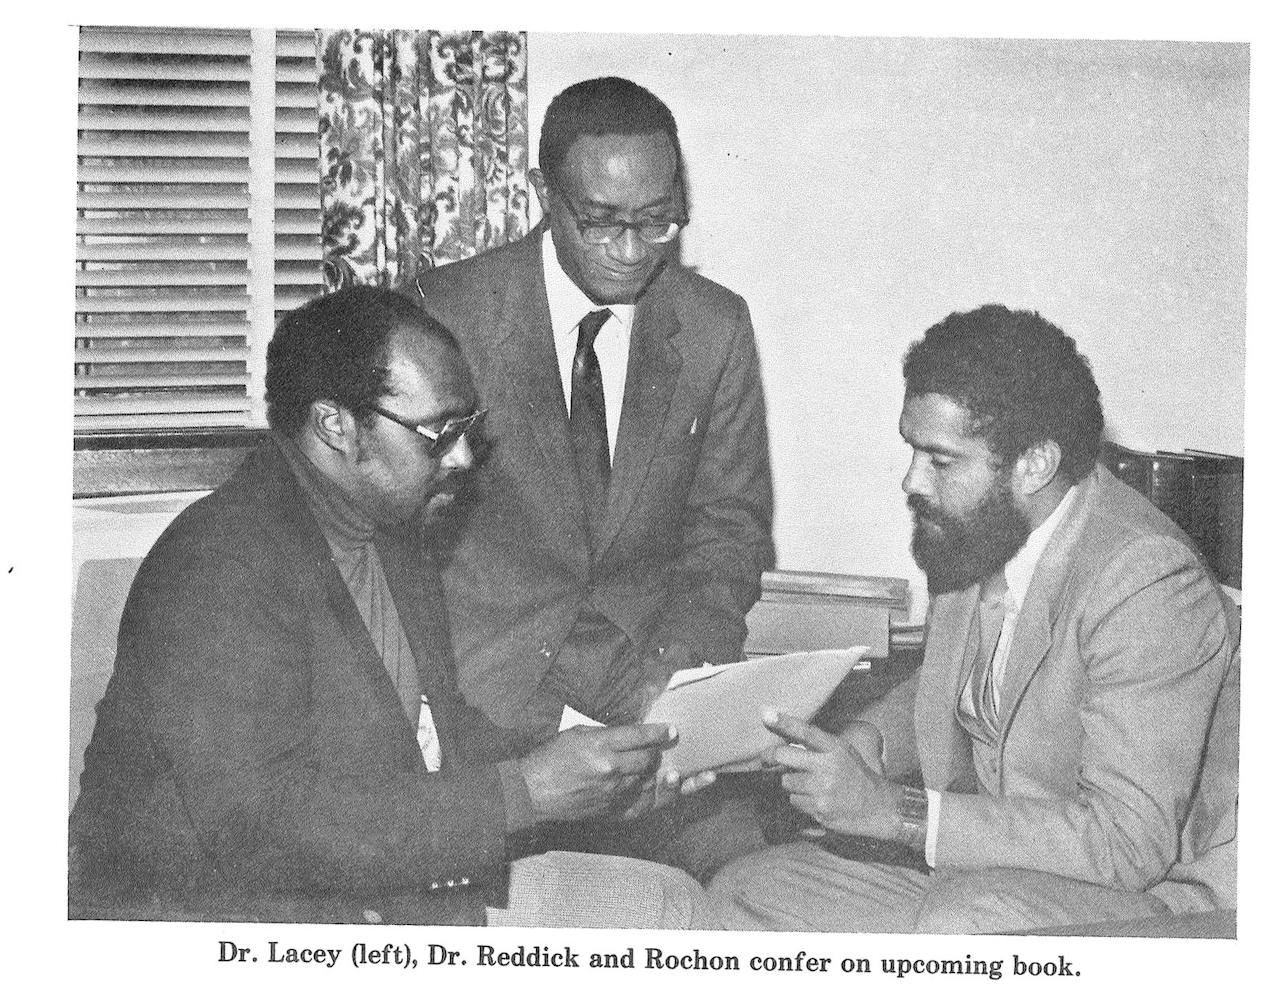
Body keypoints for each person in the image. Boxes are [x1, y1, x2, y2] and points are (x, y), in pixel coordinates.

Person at [68, 287, 718, 928]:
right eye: (437, 433)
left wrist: (598, 777)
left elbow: (433, 731)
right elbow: (259, 829)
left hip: (378, 884)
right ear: (335, 426)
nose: (463, 457)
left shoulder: (392, 530)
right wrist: (525, 790)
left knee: (673, 902)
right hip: (217, 922)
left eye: (467, 429)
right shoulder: (221, 563)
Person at [710, 304, 1239, 933]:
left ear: (1034, 464)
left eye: (941, 459)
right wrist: (865, 746)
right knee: (753, 888)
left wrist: (894, 813)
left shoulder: (1144, 581)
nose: (913, 480)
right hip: (989, 874)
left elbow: (1128, 843)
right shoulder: (976, 530)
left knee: (962, 924)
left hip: (1153, 895)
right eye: (912, 450)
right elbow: (945, 692)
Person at [411, 76, 774, 738]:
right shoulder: (446, 315)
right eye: (601, 221)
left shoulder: (714, 327)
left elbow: (729, 528)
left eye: (657, 220)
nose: (632, 250)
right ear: (543, 195)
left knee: (749, 840)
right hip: (484, 692)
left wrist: (679, 675)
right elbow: (401, 532)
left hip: (646, 684)